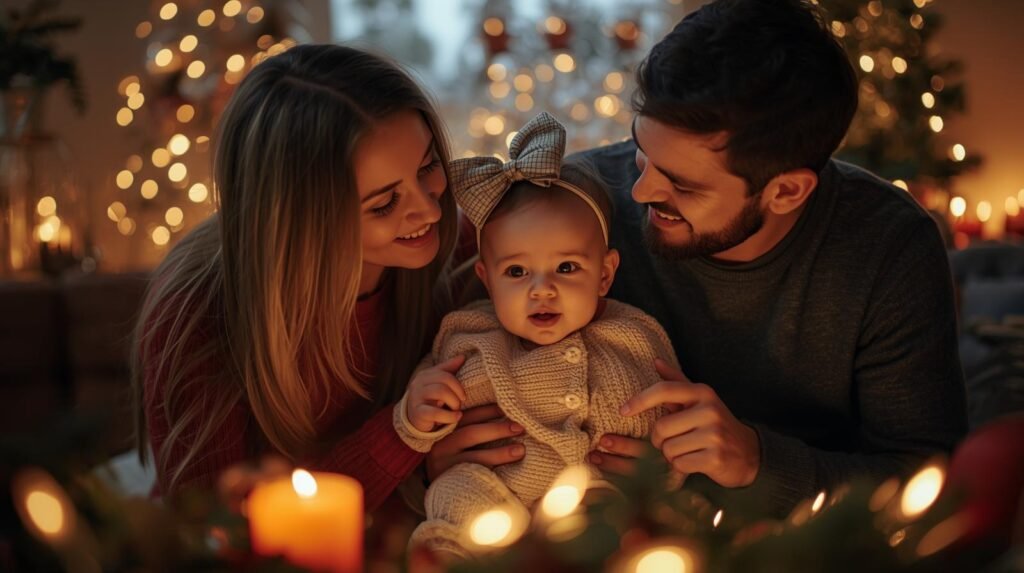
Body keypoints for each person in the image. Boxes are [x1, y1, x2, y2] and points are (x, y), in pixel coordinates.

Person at [577, 0, 967, 517]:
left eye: (683, 183)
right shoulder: (580, 204)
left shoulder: (889, 247)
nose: (641, 189)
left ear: (786, 191)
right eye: (640, 150)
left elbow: (928, 477)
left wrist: (758, 461)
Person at [131, 44, 525, 510]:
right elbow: (221, 531)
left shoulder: (462, 244)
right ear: (302, 218)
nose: (428, 206)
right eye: (383, 203)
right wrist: (408, 454)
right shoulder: (195, 312)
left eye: (428, 167)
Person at [394, 113, 679, 557]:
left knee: (612, 511)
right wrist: (416, 411)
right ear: (487, 281)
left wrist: (666, 467)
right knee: (456, 493)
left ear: (604, 275)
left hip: (590, 488)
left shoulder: (635, 336)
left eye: (566, 268)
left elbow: (671, 426)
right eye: (516, 271)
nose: (541, 288)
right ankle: (450, 560)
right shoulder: (467, 333)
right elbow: (424, 421)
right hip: (494, 497)